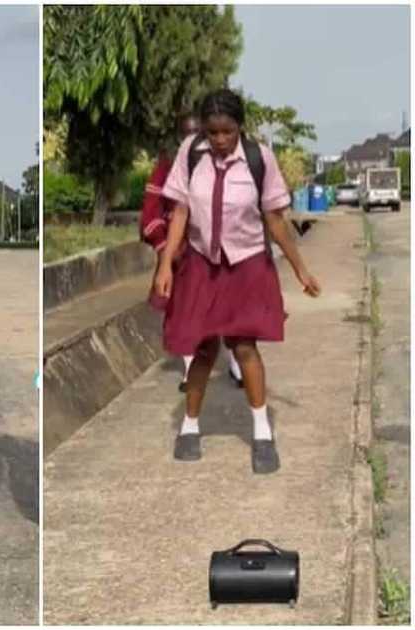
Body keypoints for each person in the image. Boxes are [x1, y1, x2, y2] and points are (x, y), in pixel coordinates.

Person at [155, 89, 321, 474]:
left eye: (227, 132)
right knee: (203, 348)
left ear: (239, 127)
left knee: (245, 347)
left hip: (246, 262)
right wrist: (165, 266)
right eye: (212, 132)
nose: (219, 141)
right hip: (201, 263)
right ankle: (190, 427)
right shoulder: (191, 153)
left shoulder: (258, 158)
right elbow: (179, 211)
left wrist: (300, 269)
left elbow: (275, 221)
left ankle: (262, 433)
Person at [143, 114, 244, 393]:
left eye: (196, 133)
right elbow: (151, 216)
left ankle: (236, 363)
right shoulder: (166, 169)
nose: (191, 139)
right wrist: (167, 250)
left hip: (220, 250)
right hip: (182, 255)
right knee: (186, 313)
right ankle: (190, 370)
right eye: (185, 134)